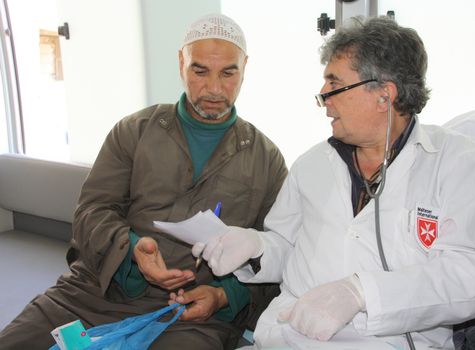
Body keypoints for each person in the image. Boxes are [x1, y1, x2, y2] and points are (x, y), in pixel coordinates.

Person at [193, 16, 475, 349]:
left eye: (335, 84)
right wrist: (255, 248)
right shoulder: (312, 164)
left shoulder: (458, 162)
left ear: (384, 95)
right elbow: (288, 249)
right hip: (285, 338)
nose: (323, 96)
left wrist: (362, 293)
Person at [0, 13, 287, 350]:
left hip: (191, 315)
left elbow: (279, 252)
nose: (213, 88)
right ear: (181, 62)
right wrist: (132, 250)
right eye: (199, 70)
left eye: (228, 73)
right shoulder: (133, 132)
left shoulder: (267, 160)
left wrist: (223, 295)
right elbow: (91, 212)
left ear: (245, 67)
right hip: (95, 291)